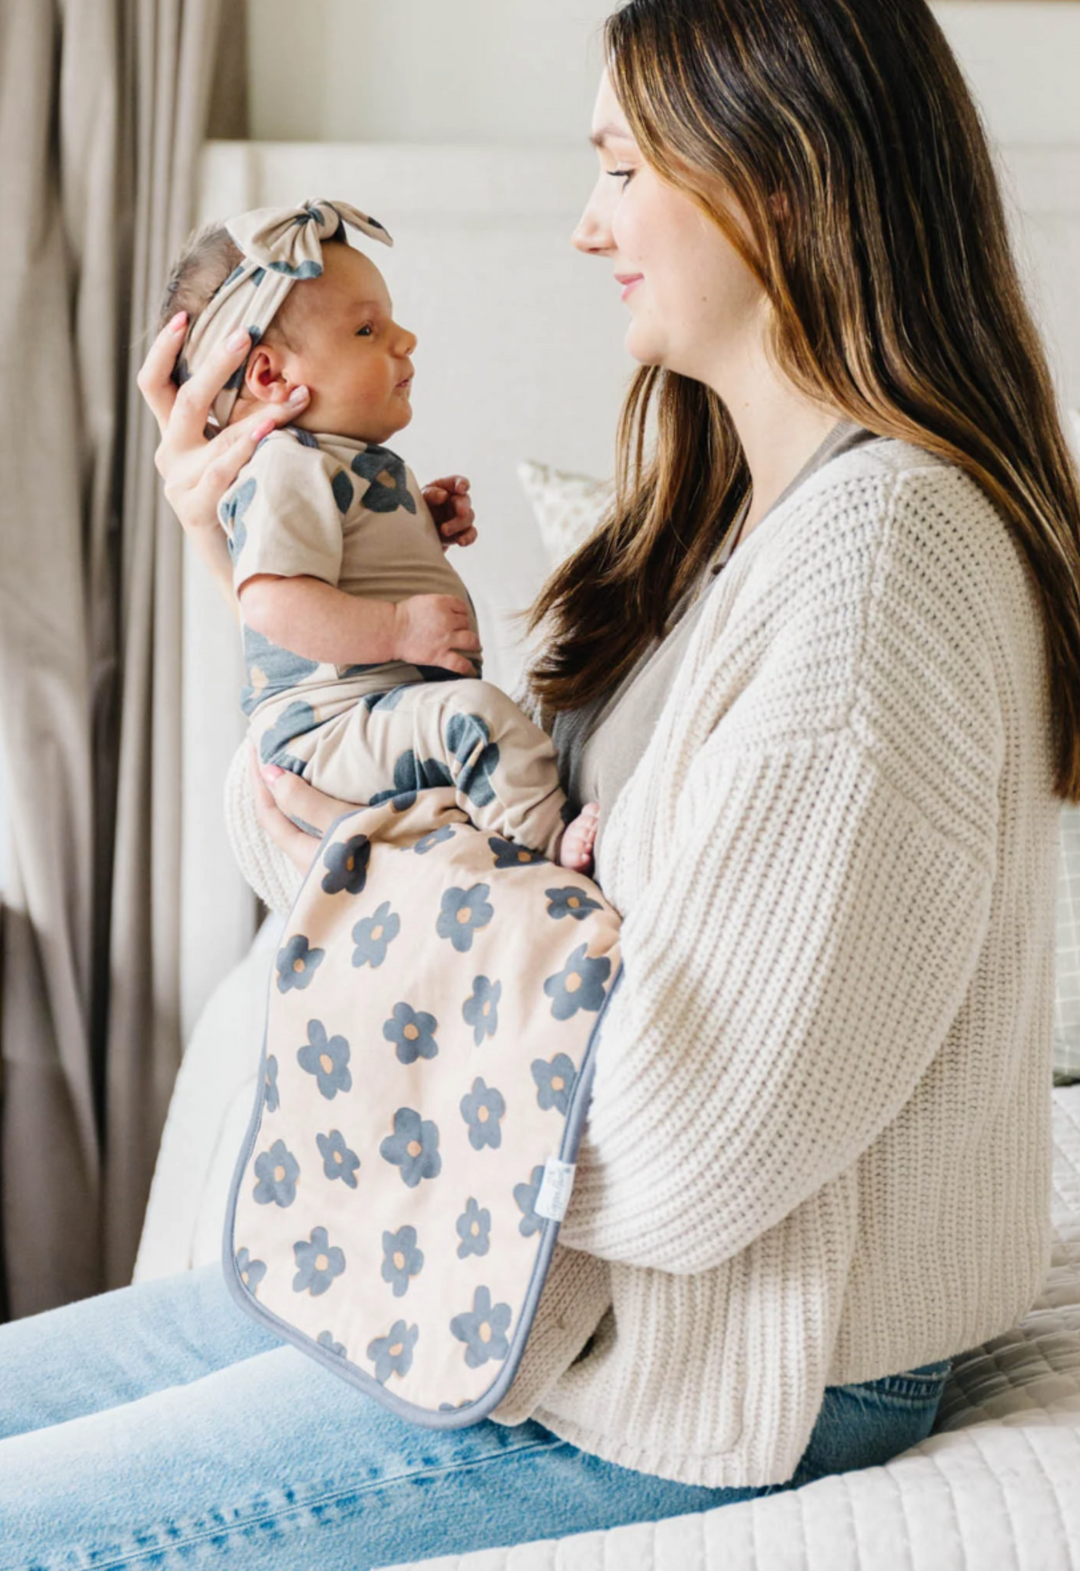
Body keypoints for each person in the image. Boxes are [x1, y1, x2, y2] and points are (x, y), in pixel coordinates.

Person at [2, 0, 1079, 1564]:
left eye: (623, 167)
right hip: (479, 1270)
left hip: (687, 1364)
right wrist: (250, 551)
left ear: (773, 178)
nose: (588, 227)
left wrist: (408, 1006)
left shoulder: (884, 565)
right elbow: (354, 853)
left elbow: (688, 1148)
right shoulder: (706, 522)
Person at [160, 197, 599, 878]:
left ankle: (497, 843)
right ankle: (545, 848)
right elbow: (272, 603)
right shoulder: (287, 464)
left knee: (483, 725)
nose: (405, 340)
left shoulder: (338, 463)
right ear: (270, 376)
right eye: (367, 330)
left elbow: (343, 565)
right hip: (326, 735)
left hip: (373, 713)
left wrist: (421, 527)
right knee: (480, 717)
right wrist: (399, 630)